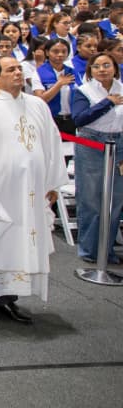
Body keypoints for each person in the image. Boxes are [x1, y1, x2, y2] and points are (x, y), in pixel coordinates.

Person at [0, 56, 68, 325]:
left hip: (30, 191)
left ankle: (8, 298)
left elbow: (52, 144)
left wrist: (52, 183)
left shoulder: (37, 105)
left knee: (20, 242)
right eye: (10, 70)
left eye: (19, 68)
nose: (17, 73)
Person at [69, 53, 123, 264]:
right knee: (91, 200)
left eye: (106, 65)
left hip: (119, 144)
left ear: (115, 68)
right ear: (90, 70)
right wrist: (107, 103)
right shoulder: (83, 91)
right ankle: (90, 251)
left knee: (115, 201)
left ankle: (106, 250)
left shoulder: (121, 87)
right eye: (97, 66)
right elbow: (79, 119)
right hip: (92, 144)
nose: (102, 69)